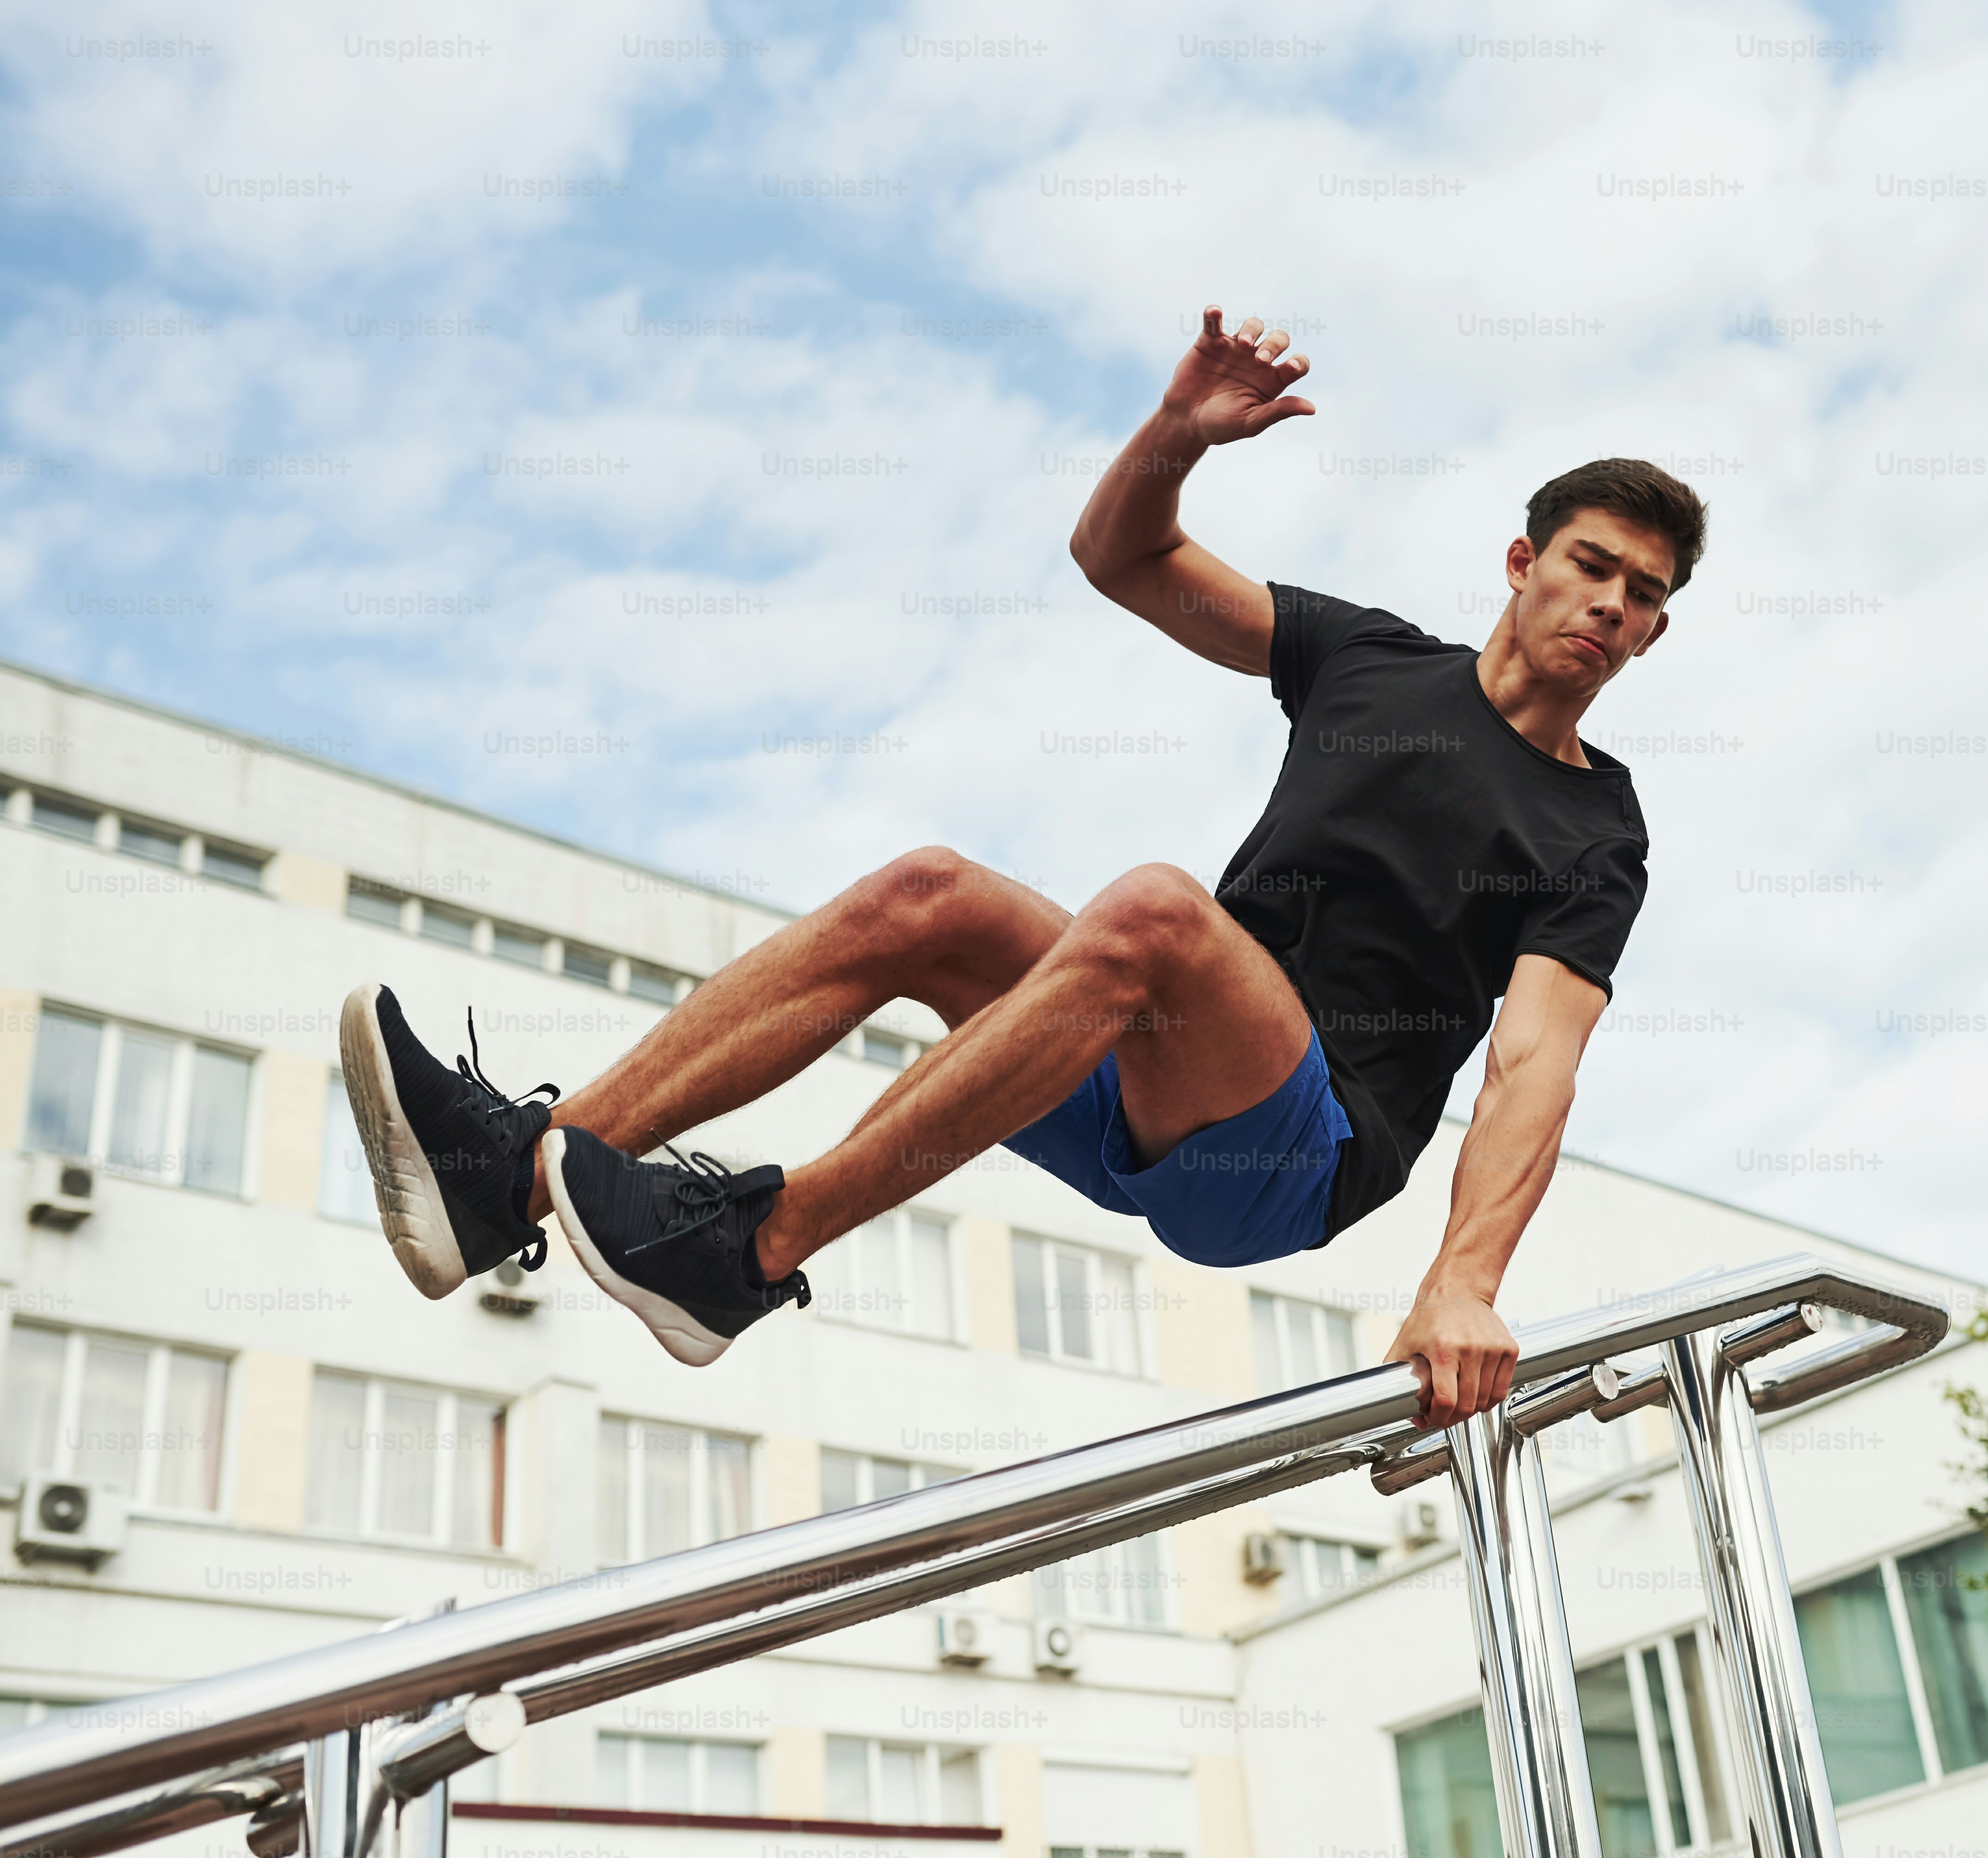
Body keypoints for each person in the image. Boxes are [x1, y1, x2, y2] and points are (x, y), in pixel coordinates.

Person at [340, 306, 1701, 1431]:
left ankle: (749, 1252)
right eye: (1594, 568)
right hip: (1139, 1071)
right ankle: (511, 1178)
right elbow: (1126, 558)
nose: (1613, 608)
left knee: (1160, 914)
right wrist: (1176, 437)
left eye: (1646, 600)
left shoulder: (1597, 830)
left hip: (1299, 1154)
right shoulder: (1368, 657)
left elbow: (1535, 1064)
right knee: (931, 895)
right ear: (1523, 563)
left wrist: (1462, 1282)